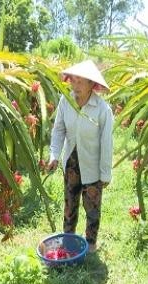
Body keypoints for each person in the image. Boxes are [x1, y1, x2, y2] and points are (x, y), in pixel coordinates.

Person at [48, 60, 113, 253]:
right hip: (71, 163)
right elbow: (59, 130)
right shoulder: (65, 101)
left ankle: (90, 244)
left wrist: (105, 173)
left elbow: (106, 143)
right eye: (73, 81)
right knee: (70, 203)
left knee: (92, 207)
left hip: (92, 165)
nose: (75, 86)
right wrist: (54, 155)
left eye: (80, 82)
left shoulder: (102, 110)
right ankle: (68, 241)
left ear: (92, 85)